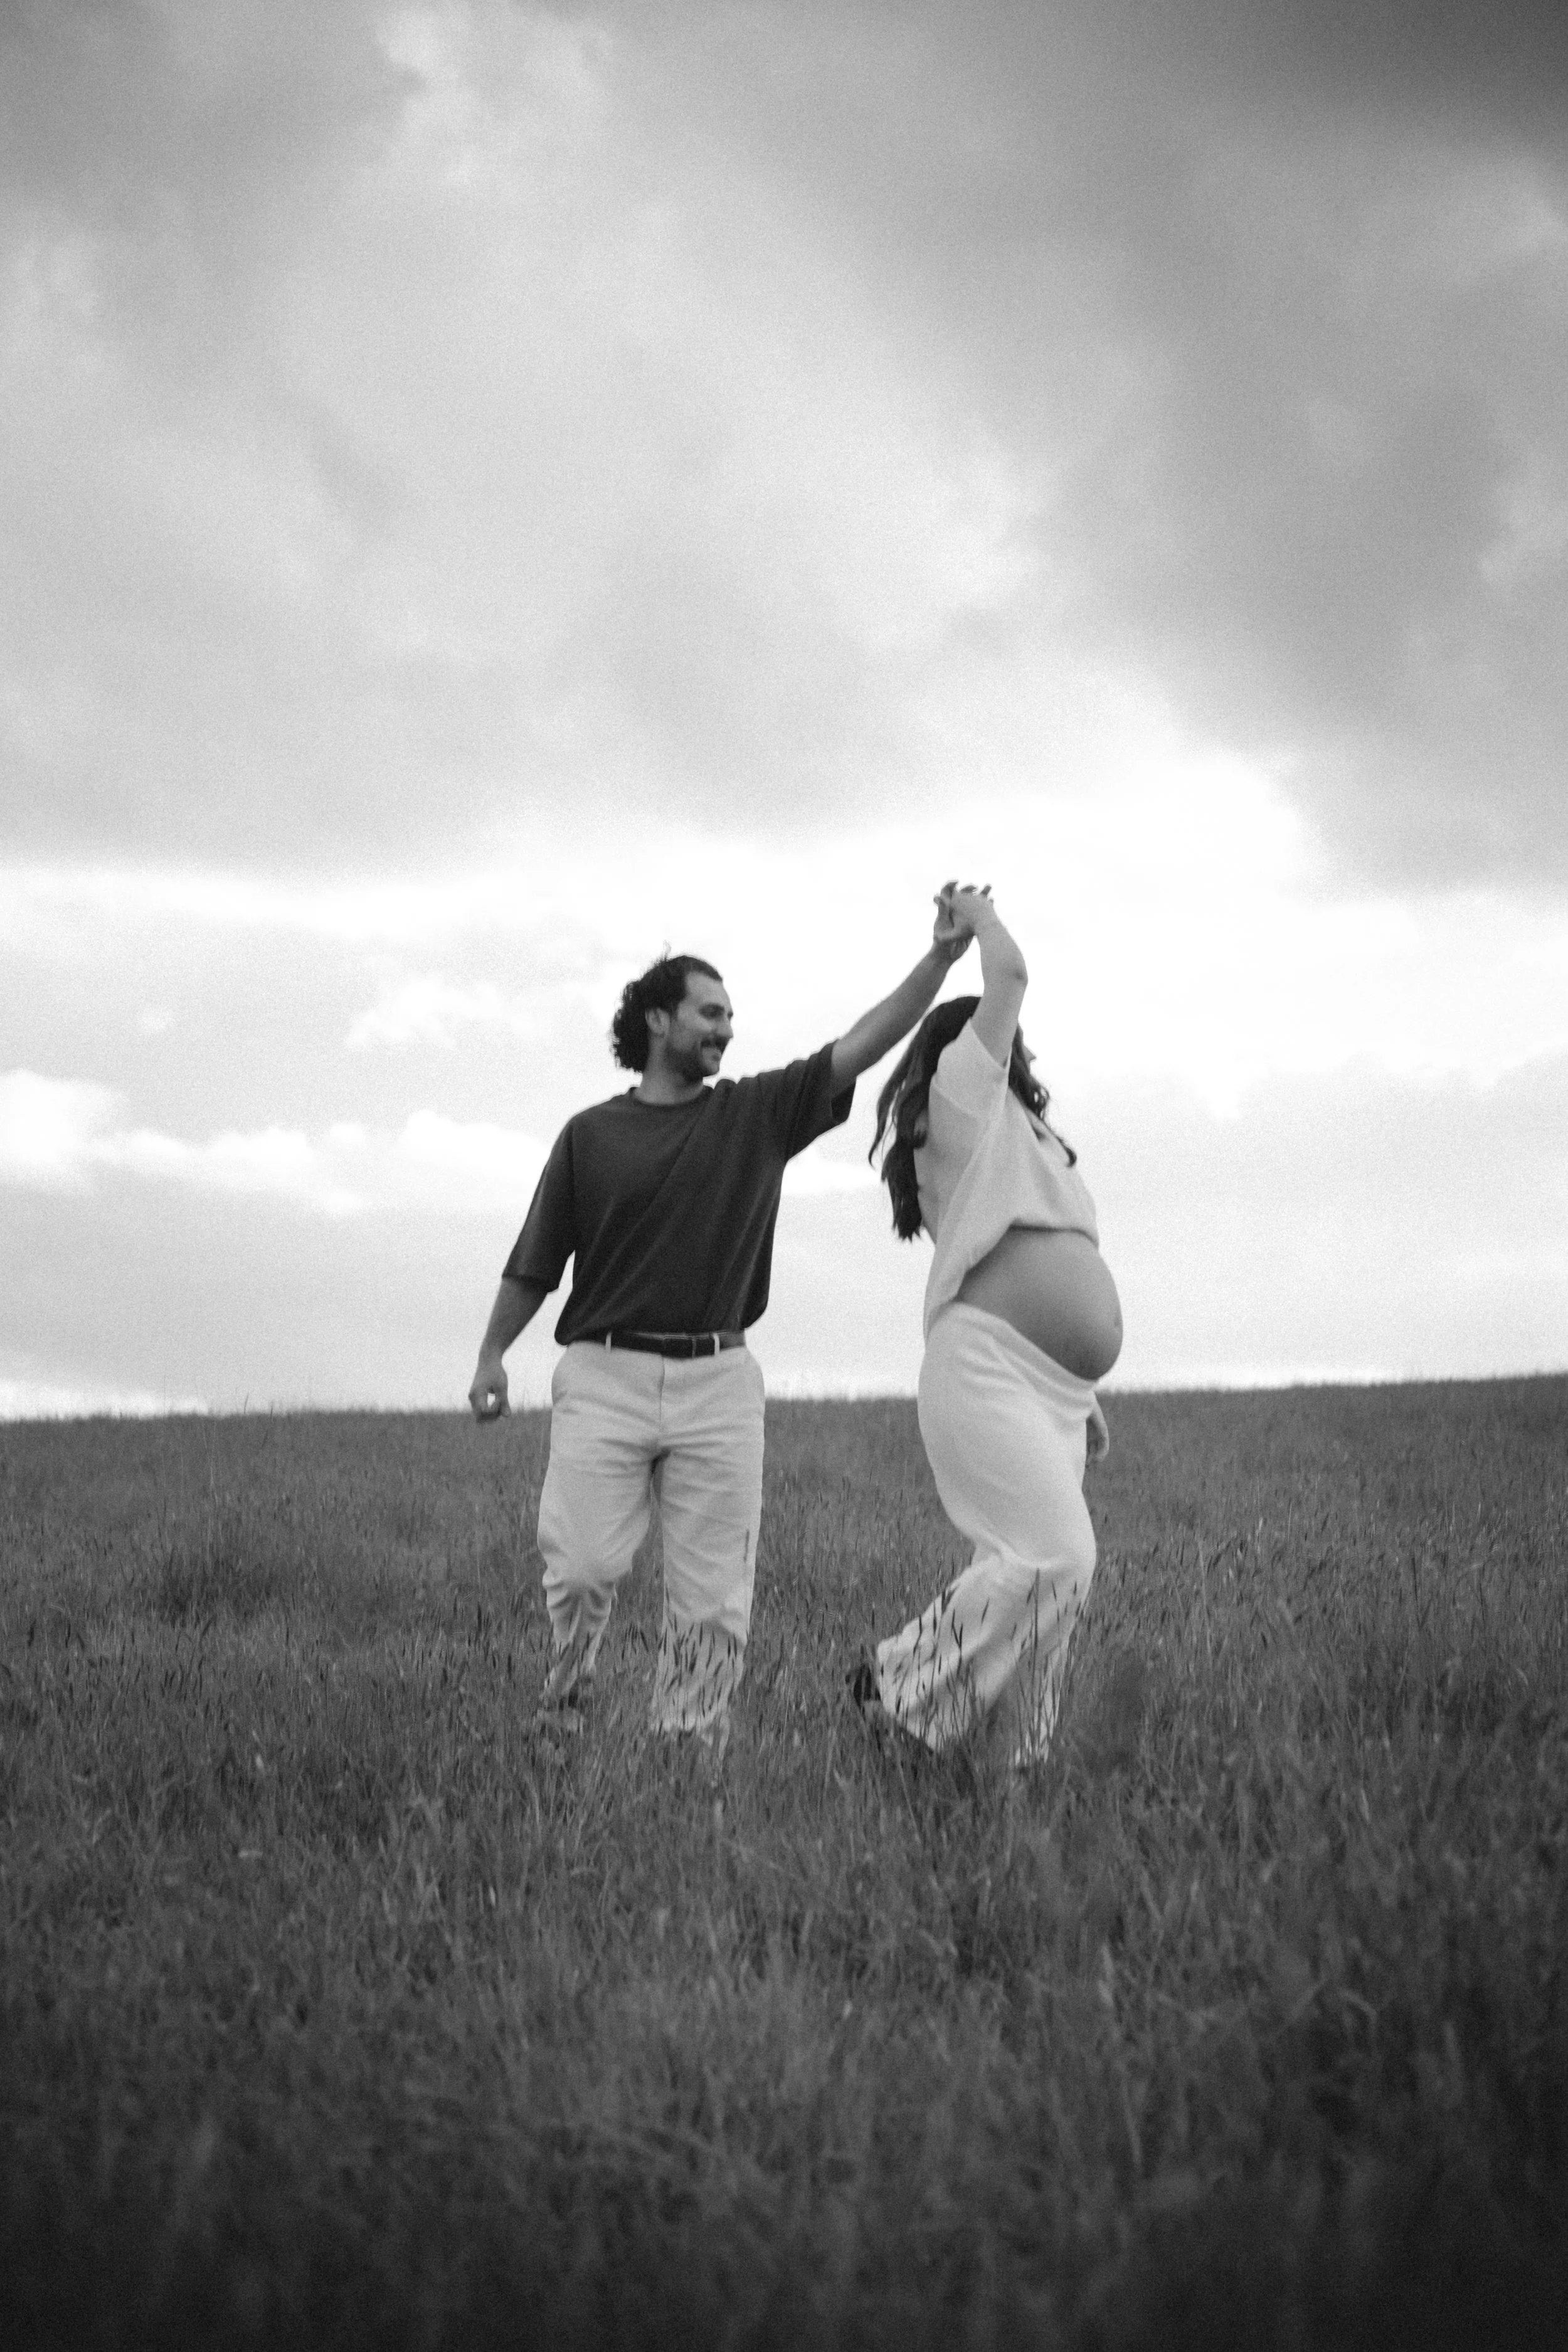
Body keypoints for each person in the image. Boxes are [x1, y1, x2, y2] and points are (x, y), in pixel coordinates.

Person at [469, 897, 975, 1751]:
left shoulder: (755, 1113)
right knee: (585, 1563)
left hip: (719, 1380)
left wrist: (941, 962)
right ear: (657, 1018)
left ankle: (688, 1747)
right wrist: (490, 1355)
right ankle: (567, 1695)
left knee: (712, 1597)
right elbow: (536, 1262)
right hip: (604, 1373)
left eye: (732, 1016)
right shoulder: (590, 1136)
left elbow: (864, 1041)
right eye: (710, 1011)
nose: (726, 1029)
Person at [858, 886, 1121, 1767]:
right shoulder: (963, 1092)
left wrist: (1078, 1387)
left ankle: (1007, 1780)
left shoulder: (1020, 1135)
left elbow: (1032, 1256)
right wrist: (974, 916)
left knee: (1039, 1588)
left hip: (1049, 1385)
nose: (1019, 1050)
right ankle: (892, 1679)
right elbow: (1008, 972)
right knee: (1058, 1557)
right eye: (1004, 1039)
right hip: (988, 1368)